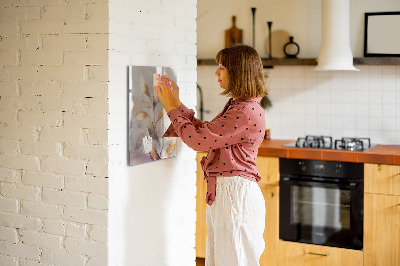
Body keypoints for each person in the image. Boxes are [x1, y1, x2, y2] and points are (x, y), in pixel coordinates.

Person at [155, 44, 267, 266]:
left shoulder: (244, 111)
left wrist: (170, 108)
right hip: (230, 195)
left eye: (222, 67)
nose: (217, 73)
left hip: (235, 197)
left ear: (238, 72)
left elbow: (198, 141)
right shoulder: (240, 106)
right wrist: (176, 104)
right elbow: (206, 133)